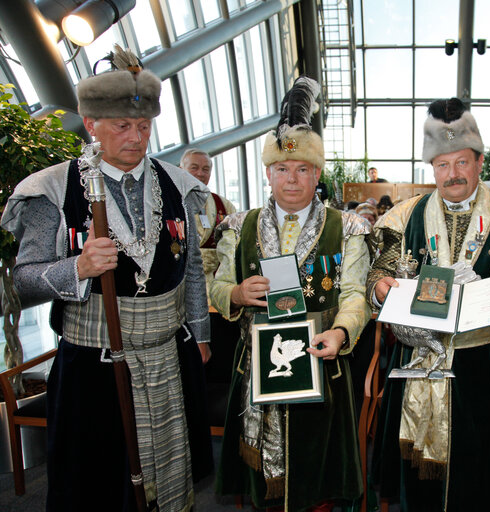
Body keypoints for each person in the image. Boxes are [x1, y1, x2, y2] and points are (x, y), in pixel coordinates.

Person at [0, 45, 213, 510]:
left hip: (168, 356)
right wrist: (77, 267)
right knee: (99, 485)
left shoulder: (181, 185)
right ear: (91, 124)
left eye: (143, 126)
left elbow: (192, 268)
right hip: (93, 365)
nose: (136, 138)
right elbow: (23, 281)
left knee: (172, 481)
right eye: (122, 126)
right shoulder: (51, 189)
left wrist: (200, 334)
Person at [367, 97, 490, 511]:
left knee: (482, 479)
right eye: (442, 165)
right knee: (420, 490)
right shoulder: (403, 217)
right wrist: (380, 288)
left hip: (486, 367)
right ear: (431, 168)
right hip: (419, 360)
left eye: (462, 163)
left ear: (479, 162)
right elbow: (375, 276)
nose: (452, 174)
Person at [211, 77, 370, 511]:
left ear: (317, 173)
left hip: (323, 368)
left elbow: (356, 293)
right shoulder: (239, 226)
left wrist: (341, 332)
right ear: (268, 173)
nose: (292, 179)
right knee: (261, 485)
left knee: (317, 484)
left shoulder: (347, 227)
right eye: (282, 169)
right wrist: (238, 293)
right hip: (255, 371)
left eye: (302, 169)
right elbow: (218, 285)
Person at [180, 148, 237, 364]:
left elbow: (233, 248)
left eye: (205, 169)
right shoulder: (168, 203)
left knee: (220, 358)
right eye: (194, 167)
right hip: (182, 297)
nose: (200, 173)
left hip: (216, 296)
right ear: (181, 169)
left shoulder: (224, 205)